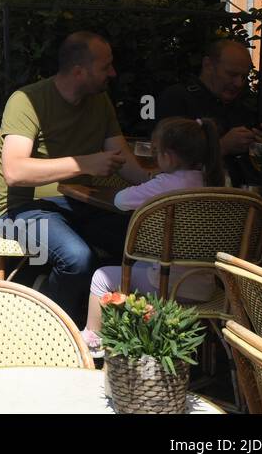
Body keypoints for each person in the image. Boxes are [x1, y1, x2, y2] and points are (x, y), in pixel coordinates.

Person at [0, 31, 149, 325]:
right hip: (22, 211)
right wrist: (84, 164)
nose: (113, 73)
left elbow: (123, 160)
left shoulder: (100, 102)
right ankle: (50, 333)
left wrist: (163, 187)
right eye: (106, 67)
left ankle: (112, 329)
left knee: (144, 243)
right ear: (79, 71)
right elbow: (15, 172)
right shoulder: (26, 101)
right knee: (78, 259)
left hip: (82, 206)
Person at [81, 117, 224, 353]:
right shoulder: (217, 183)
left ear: (167, 156)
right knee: (138, 264)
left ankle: (92, 343)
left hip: (167, 286)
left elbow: (120, 200)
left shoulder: (164, 185)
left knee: (101, 277)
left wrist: (151, 181)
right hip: (206, 287)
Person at [158, 39, 262, 183]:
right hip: (193, 200)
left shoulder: (242, 107)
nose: (239, 83)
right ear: (208, 65)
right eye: (232, 74)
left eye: (244, 76)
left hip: (245, 197)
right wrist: (223, 146)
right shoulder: (177, 98)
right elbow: (169, 163)